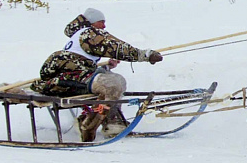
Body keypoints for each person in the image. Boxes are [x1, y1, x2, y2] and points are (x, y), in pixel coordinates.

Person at [31, 8, 163, 141]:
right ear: (93, 22)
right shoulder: (89, 34)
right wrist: (145, 55)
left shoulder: (78, 35)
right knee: (114, 83)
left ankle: (103, 119)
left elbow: (81, 62)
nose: (104, 26)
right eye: (101, 22)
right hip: (71, 79)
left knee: (114, 79)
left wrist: (107, 66)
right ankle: (91, 124)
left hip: (70, 78)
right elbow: (116, 47)